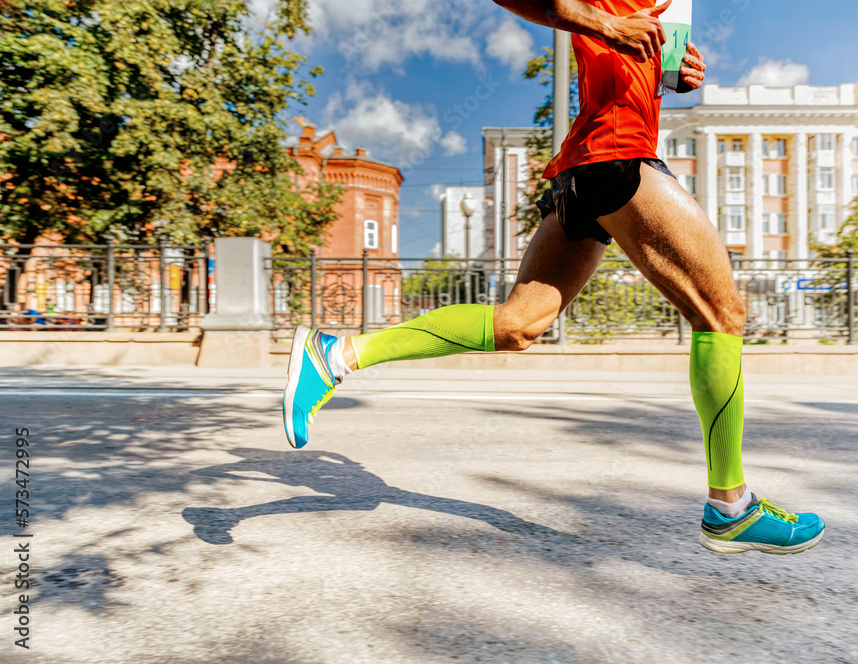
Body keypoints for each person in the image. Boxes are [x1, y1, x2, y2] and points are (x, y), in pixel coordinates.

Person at [283, 0, 825, 555]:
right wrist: (607, 24)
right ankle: (731, 506)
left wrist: (671, 72)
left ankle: (338, 353)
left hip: (588, 164)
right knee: (722, 312)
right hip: (616, 157)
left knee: (520, 323)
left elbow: (628, 63)